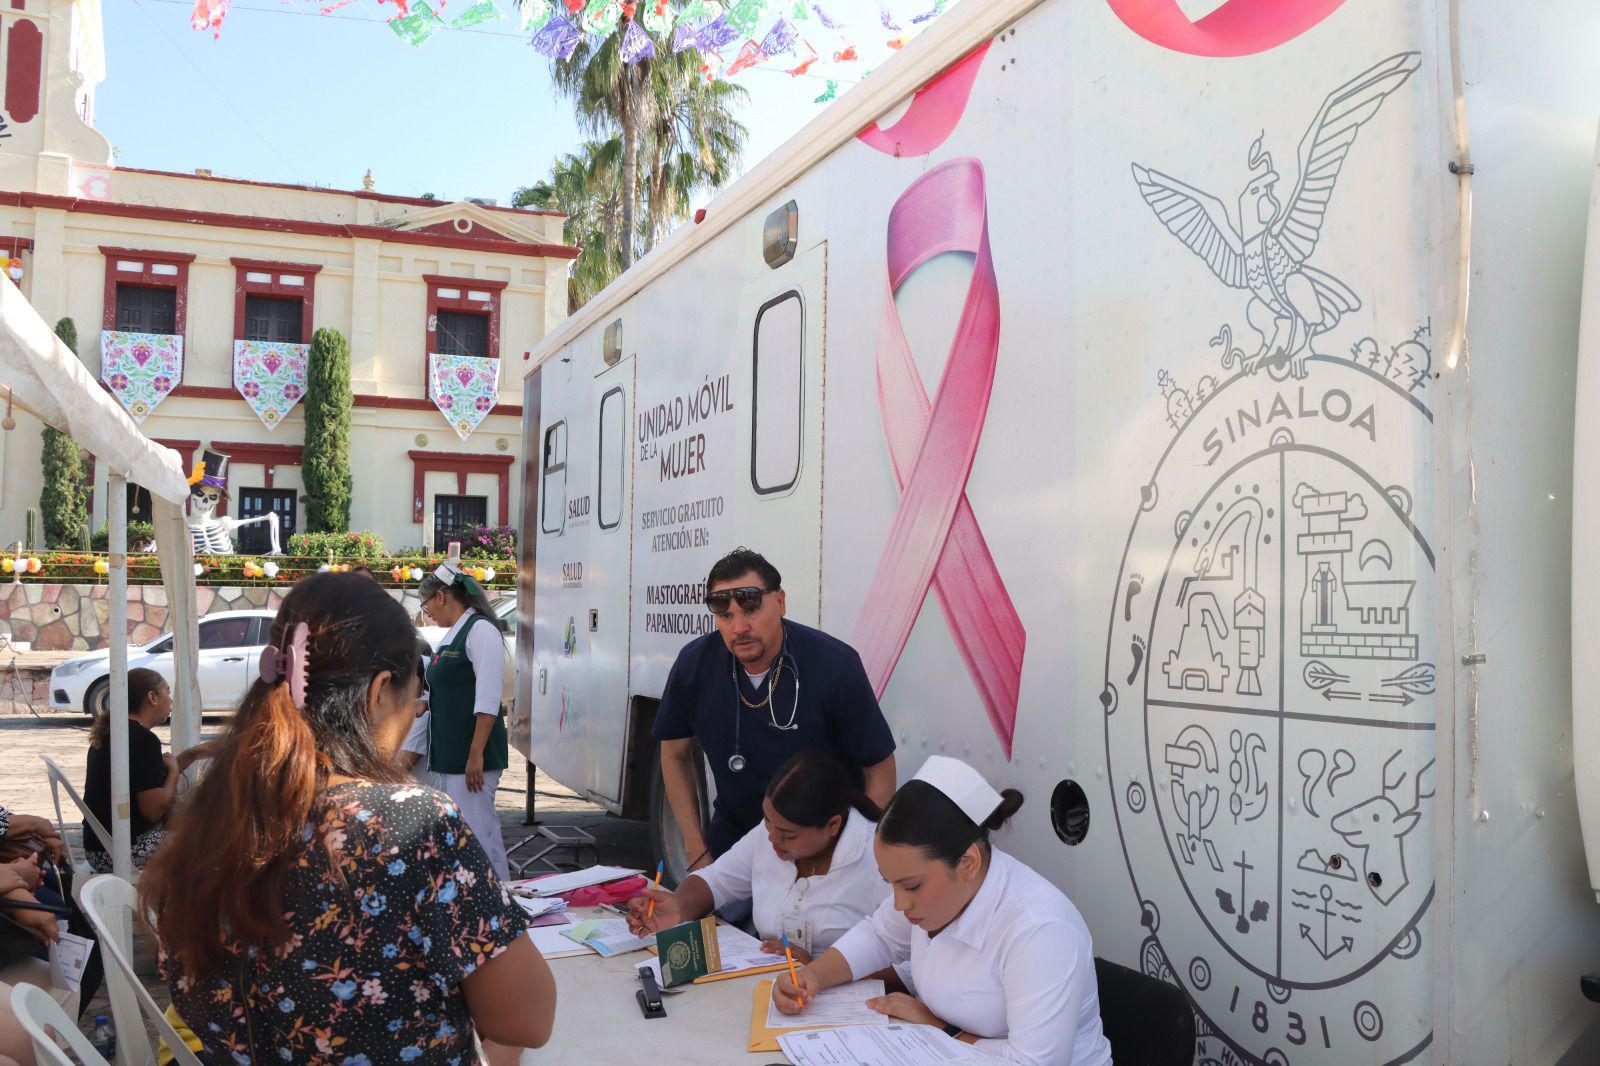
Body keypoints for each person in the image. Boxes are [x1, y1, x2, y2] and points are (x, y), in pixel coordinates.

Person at [142, 572, 554, 1065]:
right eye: (415, 693)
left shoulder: (215, 810)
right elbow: (526, 1021)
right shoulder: (412, 824)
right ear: (381, 691)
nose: (415, 711)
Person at [774, 756, 1112, 1066]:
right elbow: (879, 936)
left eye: (911, 886)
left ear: (968, 863)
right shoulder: (932, 895)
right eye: (889, 883)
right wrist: (812, 977)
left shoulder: (1039, 931)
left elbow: (1032, 1064)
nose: (899, 903)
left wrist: (939, 1028)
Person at [654, 548, 897, 873]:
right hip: (733, 843)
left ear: (780, 602)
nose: (739, 627)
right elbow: (673, 753)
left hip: (821, 852)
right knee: (712, 924)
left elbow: (879, 768)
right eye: (725, 615)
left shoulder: (835, 665)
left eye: (751, 609)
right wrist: (697, 850)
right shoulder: (695, 665)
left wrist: (861, 858)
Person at [626, 751, 887, 959]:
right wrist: (679, 907)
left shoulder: (877, 860)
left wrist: (822, 970)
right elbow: (715, 880)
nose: (772, 838)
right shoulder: (771, 834)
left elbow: (905, 963)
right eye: (768, 822)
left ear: (832, 826)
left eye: (788, 835)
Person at [417, 562, 513, 880]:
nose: (426, 611)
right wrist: (422, 705)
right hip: (452, 755)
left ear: (442, 596)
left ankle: (501, 902)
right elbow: (448, 690)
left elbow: (487, 700)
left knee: (480, 837)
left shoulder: (480, 630)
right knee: (466, 836)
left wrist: (476, 754)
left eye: (425, 603)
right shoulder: (455, 634)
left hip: (470, 757)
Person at [81, 668, 217, 874]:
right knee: (212, 837)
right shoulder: (142, 740)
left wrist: (193, 754)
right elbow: (154, 809)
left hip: (98, 846)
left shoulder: (117, 732)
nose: (170, 701)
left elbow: (146, 778)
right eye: (167, 692)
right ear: (152, 697)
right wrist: (172, 772)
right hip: (121, 851)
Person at [399, 635, 444, 789]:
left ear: (416, 680)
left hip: (421, 798)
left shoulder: (423, 716)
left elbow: (400, 768)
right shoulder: (406, 708)